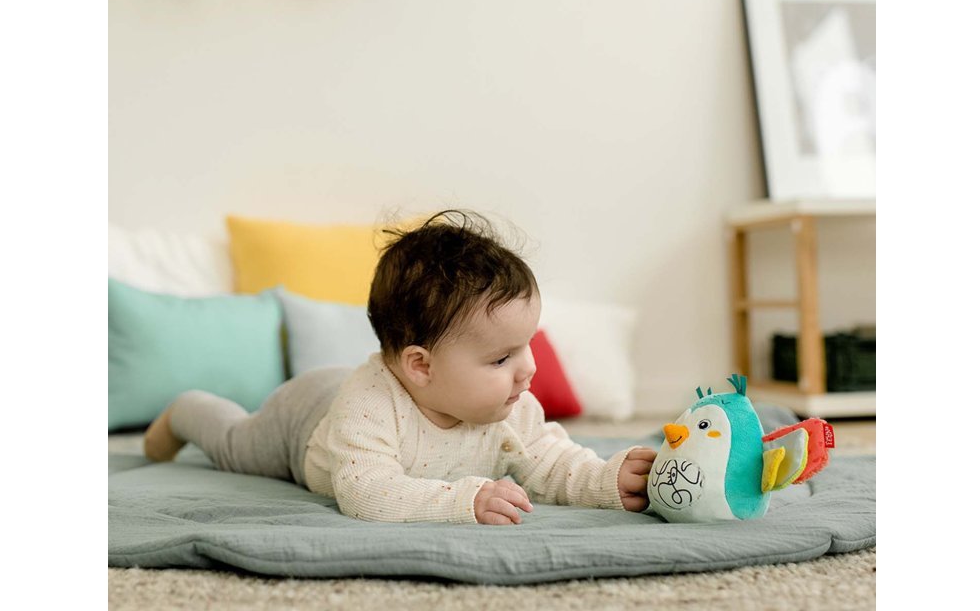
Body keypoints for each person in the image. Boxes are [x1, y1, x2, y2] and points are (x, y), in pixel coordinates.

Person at [143, 209, 656, 525]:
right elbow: (365, 492)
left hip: (339, 394)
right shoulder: (368, 406)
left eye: (526, 346)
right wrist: (463, 502)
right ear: (421, 367)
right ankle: (186, 411)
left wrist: (604, 480)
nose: (527, 370)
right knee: (235, 445)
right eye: (502, 358)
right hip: (303, 418)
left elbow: (548, 460)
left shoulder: (511, 403)